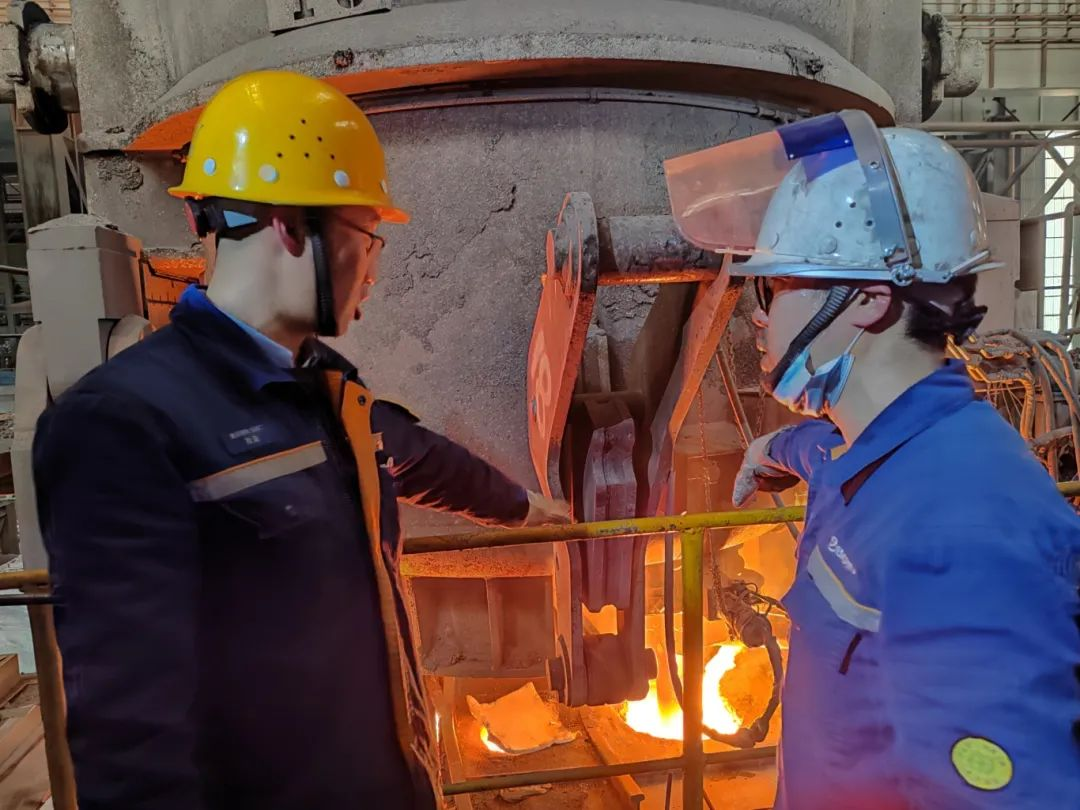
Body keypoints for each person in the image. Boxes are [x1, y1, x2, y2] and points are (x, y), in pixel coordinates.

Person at [32, 70, 569, 810]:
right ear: (289, 226)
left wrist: (526, 509)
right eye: (366, 236)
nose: (374, 266)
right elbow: (133, 744)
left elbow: (410, 455)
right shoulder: (124, 423)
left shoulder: (320, 388)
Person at [666, 110, 1080, 809]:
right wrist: (776, 449)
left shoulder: (963, 536)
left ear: (864, 300)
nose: (759, 316)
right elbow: (835, 459)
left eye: (775, 287)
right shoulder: (884, 453)